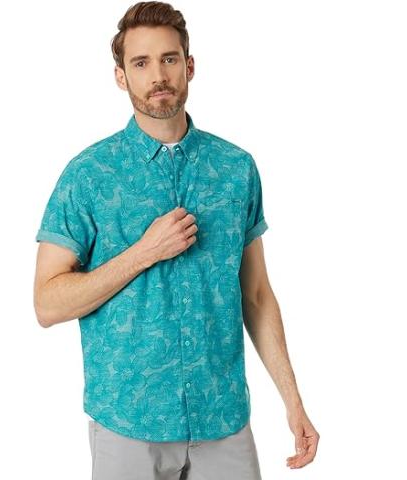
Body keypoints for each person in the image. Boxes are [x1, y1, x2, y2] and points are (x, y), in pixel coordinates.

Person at [33, 2, 319, 478]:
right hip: (129, 422)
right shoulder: (88, 176)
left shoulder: (235, 169)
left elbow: (255, 295)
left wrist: (293, 402)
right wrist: (143, 253)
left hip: (223, 418)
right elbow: (47, 304)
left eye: (168, 59)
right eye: (140, 63)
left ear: (189, 66)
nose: (158, 75)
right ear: (121, 76)